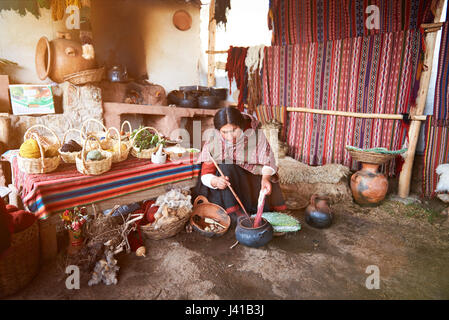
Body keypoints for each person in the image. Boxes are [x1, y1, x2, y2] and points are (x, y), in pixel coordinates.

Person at [195, 106, 286, 223]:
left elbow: (269, 160)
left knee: (267, 179)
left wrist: (265, 178)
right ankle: (236, 212)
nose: (229, 136)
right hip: (232, 182)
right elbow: (206, 174)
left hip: (252, 180)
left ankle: (257, 210)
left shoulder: (254, 133)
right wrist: (215, 181)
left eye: (234, 130)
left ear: (241, 125)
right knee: (225, 165)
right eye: (224, 132)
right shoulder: (215, 140)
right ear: (219, 131)